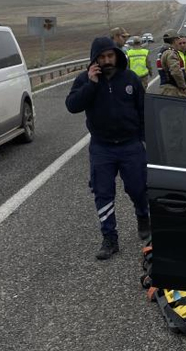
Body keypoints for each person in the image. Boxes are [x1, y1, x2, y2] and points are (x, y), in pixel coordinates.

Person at [65, 37, 151, 260]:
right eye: (102, 57)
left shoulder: (130, 78)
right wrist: (91, 85)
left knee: (138, 188)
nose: (107, 60)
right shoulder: (85, 80)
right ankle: (109, 238)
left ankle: (143, 216)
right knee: (103, 193)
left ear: (117, 55)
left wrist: (143, 140)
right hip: (102, 147)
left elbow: (143, 111)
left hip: (130, 144)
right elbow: (72, 105)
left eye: (110, 56)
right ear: (95, 59)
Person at [159, 33, 186, 98]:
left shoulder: (162, 52)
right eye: (178, 40)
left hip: (166, 89)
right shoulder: (170, 53)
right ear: (175, 40)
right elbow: (176, 71)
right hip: (172, 90)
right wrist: (183, 86)